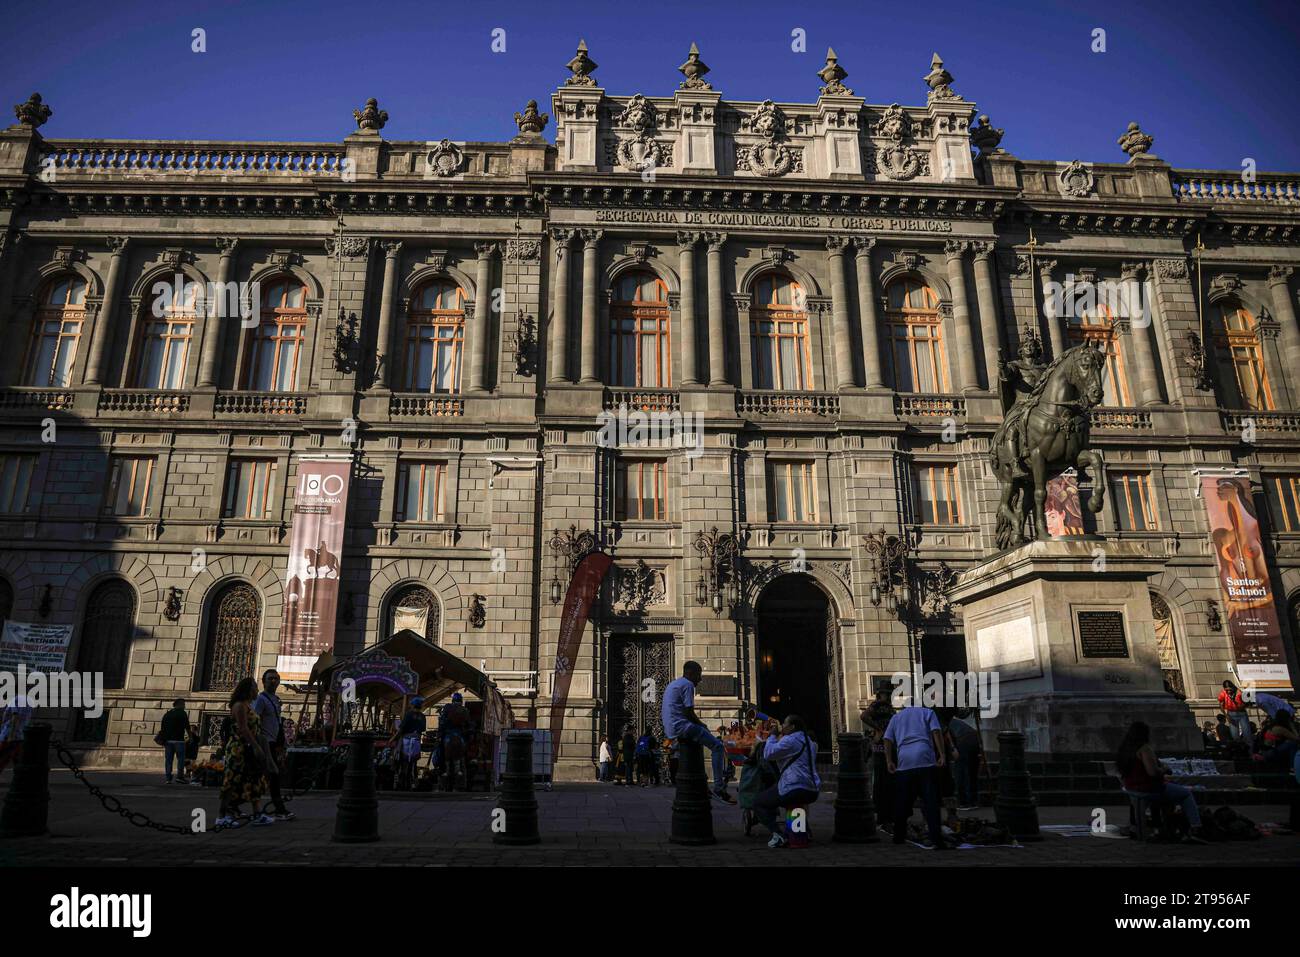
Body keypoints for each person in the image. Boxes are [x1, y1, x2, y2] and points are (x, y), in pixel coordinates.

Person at [1116, 720, 1207, 842]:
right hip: (1147, 788)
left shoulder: (1125, 749)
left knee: (1169, 792)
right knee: (1185, 794)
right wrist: (1164, 769)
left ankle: (1161, 827)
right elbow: (1152, 772)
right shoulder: (1144, 749)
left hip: (1131, 787)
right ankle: (1196, 828)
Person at [660, 661, 735, 803]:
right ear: (690, 673)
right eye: (698, 675)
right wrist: (703, 725)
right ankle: (719, 788)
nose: (700, 679)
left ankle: (702, 786)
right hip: (683, 727)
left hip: (671, 729)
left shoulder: (674, 684)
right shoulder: (688, 685)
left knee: (698, 746)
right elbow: (689, 712)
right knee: (717, 746)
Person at [883, 703, 949, 849]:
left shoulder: (897, 717)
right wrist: (942, 754)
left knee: (903, 802)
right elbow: (936, 732)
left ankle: (898, 836)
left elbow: (887, 738)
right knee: (931, 802)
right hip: (924, 757)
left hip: (905, 761)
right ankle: (936, 839)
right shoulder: (928, 712)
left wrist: (889, 761)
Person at [754, 715, 822, 848]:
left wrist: (772, 736)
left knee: (759, 803)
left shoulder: (791, 740)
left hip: (794, 787)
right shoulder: (809, 742)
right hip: (811, 789)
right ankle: (801, 834)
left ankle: (779, 834)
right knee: (793, 803)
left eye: (785, 724)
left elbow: (768, 754)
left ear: (792, 727)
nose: (782, 727)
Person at [218, 677, 274, 829]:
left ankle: (257, 814)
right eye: (255, 688)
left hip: (247, 747)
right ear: (248, 690)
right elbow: (243, 728)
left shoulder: (248, 705)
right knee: (232, 781)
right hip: (238, 748)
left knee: (254, 779)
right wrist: (256, 746)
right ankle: (222, 816)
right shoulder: (239, 706)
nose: (257, 690)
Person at [252, 670, 294, 818]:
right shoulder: (260, 699)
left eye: (276, 679)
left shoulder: (276, 699)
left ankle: (234, 806)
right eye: (270, 679)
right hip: (264, 742)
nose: (273, 681)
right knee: (271, 775)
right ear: (263, 681)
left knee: (268, 776)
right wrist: (257, 743)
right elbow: (255, 720)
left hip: (273, 742)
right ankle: (279, 808)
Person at [947, 711, 984, 810]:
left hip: (963, 740)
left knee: (961, 772)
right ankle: (973, 801)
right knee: (971, 772)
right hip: (973, 738)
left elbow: (947, 734)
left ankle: (964, 802)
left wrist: (952, 749)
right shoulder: (954, 721)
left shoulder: (942, 721)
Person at [389, 696, 427, 792]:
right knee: (414, 763)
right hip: (417, 741)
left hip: (406, 740)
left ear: (413, 705)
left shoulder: (408, 714)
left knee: (397, 756)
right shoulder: (422, 716)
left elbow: (401, 729)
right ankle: (413, 783)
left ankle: (397, 776)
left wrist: (393, 738)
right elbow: (423, 729)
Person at [0, 693, 34, 776]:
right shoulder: (29, 701)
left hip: (9, 734)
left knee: (2, 758)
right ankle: (21, 780)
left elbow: (15, 716)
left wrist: (10, 735)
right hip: (21, 735)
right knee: (17, 759)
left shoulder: (15, 699)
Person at [158, 698, 190, 784]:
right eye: (183, 704)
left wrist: (164, 739)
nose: (184, 706)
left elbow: (162, 728)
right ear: (179, 704)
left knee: (168, 760)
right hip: (179, 740)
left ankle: (168, 778)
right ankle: (180, 777)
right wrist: (191, 737)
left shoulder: (167, 714)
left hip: (168, 741)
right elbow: (187, 726)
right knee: (181, 759)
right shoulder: (182, 713)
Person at [1219, 680, 1252, 747]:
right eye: (1226, 690)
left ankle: (1250, 752)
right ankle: (1238, 752)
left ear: (1233, 687)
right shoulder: (1223, 693)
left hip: (1242, 714)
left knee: (1247, 734)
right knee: (1235, 736)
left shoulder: (1239, 693)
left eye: (1230, 690)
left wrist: (1243, 705)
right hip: (1231, 714)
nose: (1228, 692)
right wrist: (1226, 716)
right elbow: (1221, 705)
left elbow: (1248, 703)